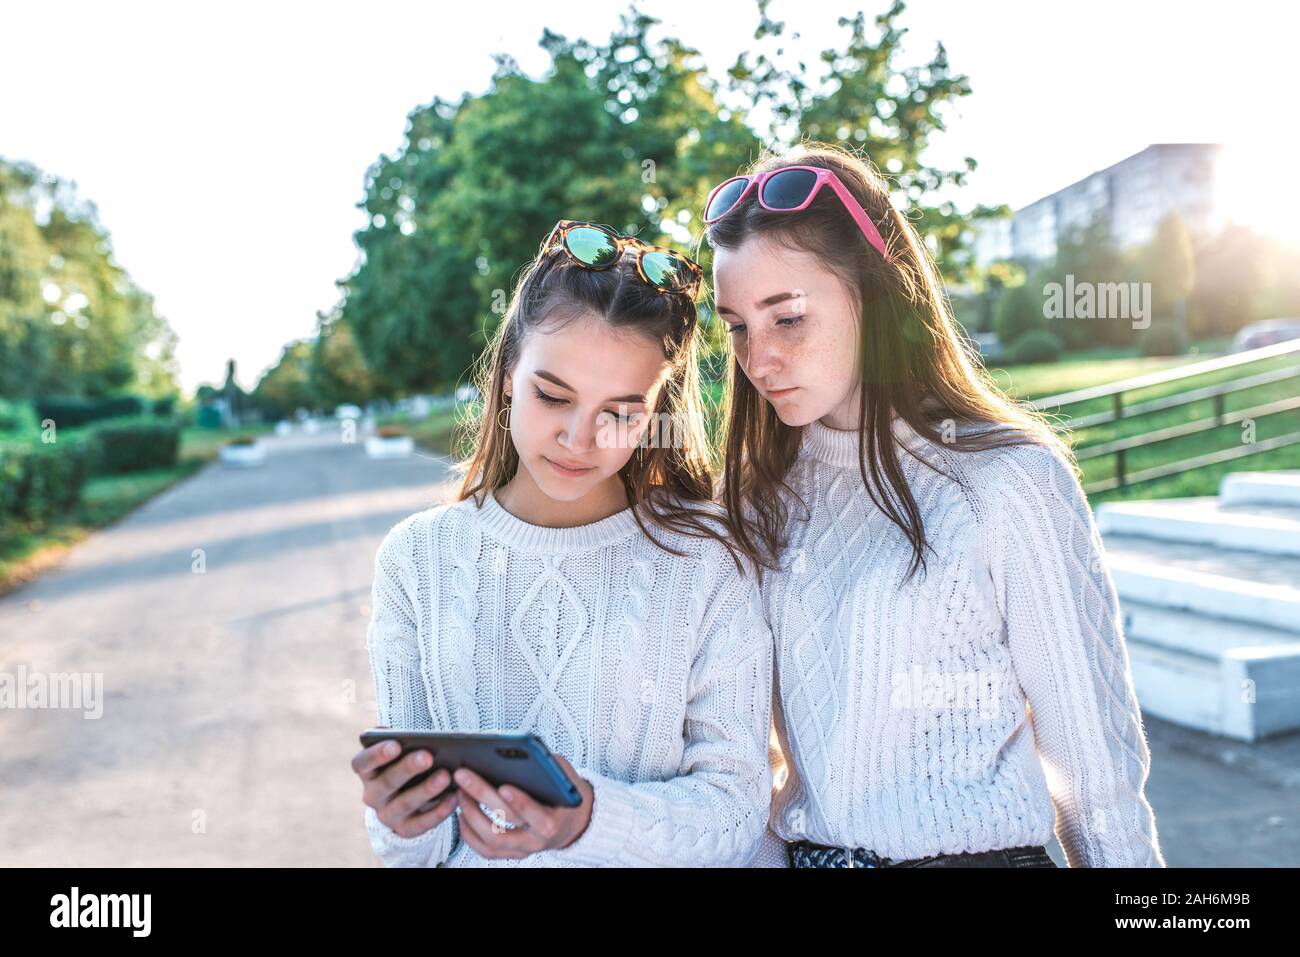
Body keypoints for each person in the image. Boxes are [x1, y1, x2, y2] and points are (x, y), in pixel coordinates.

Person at [703, 143, 1166, 868]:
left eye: (787, 317)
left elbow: (1093, 769)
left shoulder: (1008, 480)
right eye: (736, 326)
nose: (758, 359)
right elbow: (739, 770)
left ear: (876, 293)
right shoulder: (750, 498)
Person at [351, 220, 773, 867]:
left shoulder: (709, 560)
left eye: (622, 413)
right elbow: (420, 851)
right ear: (510, 374)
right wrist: (403, 821)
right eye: (554, 396)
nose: (582, 438)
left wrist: (587, 822)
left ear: (658, 410)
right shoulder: (416, 560)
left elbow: (738, 811)